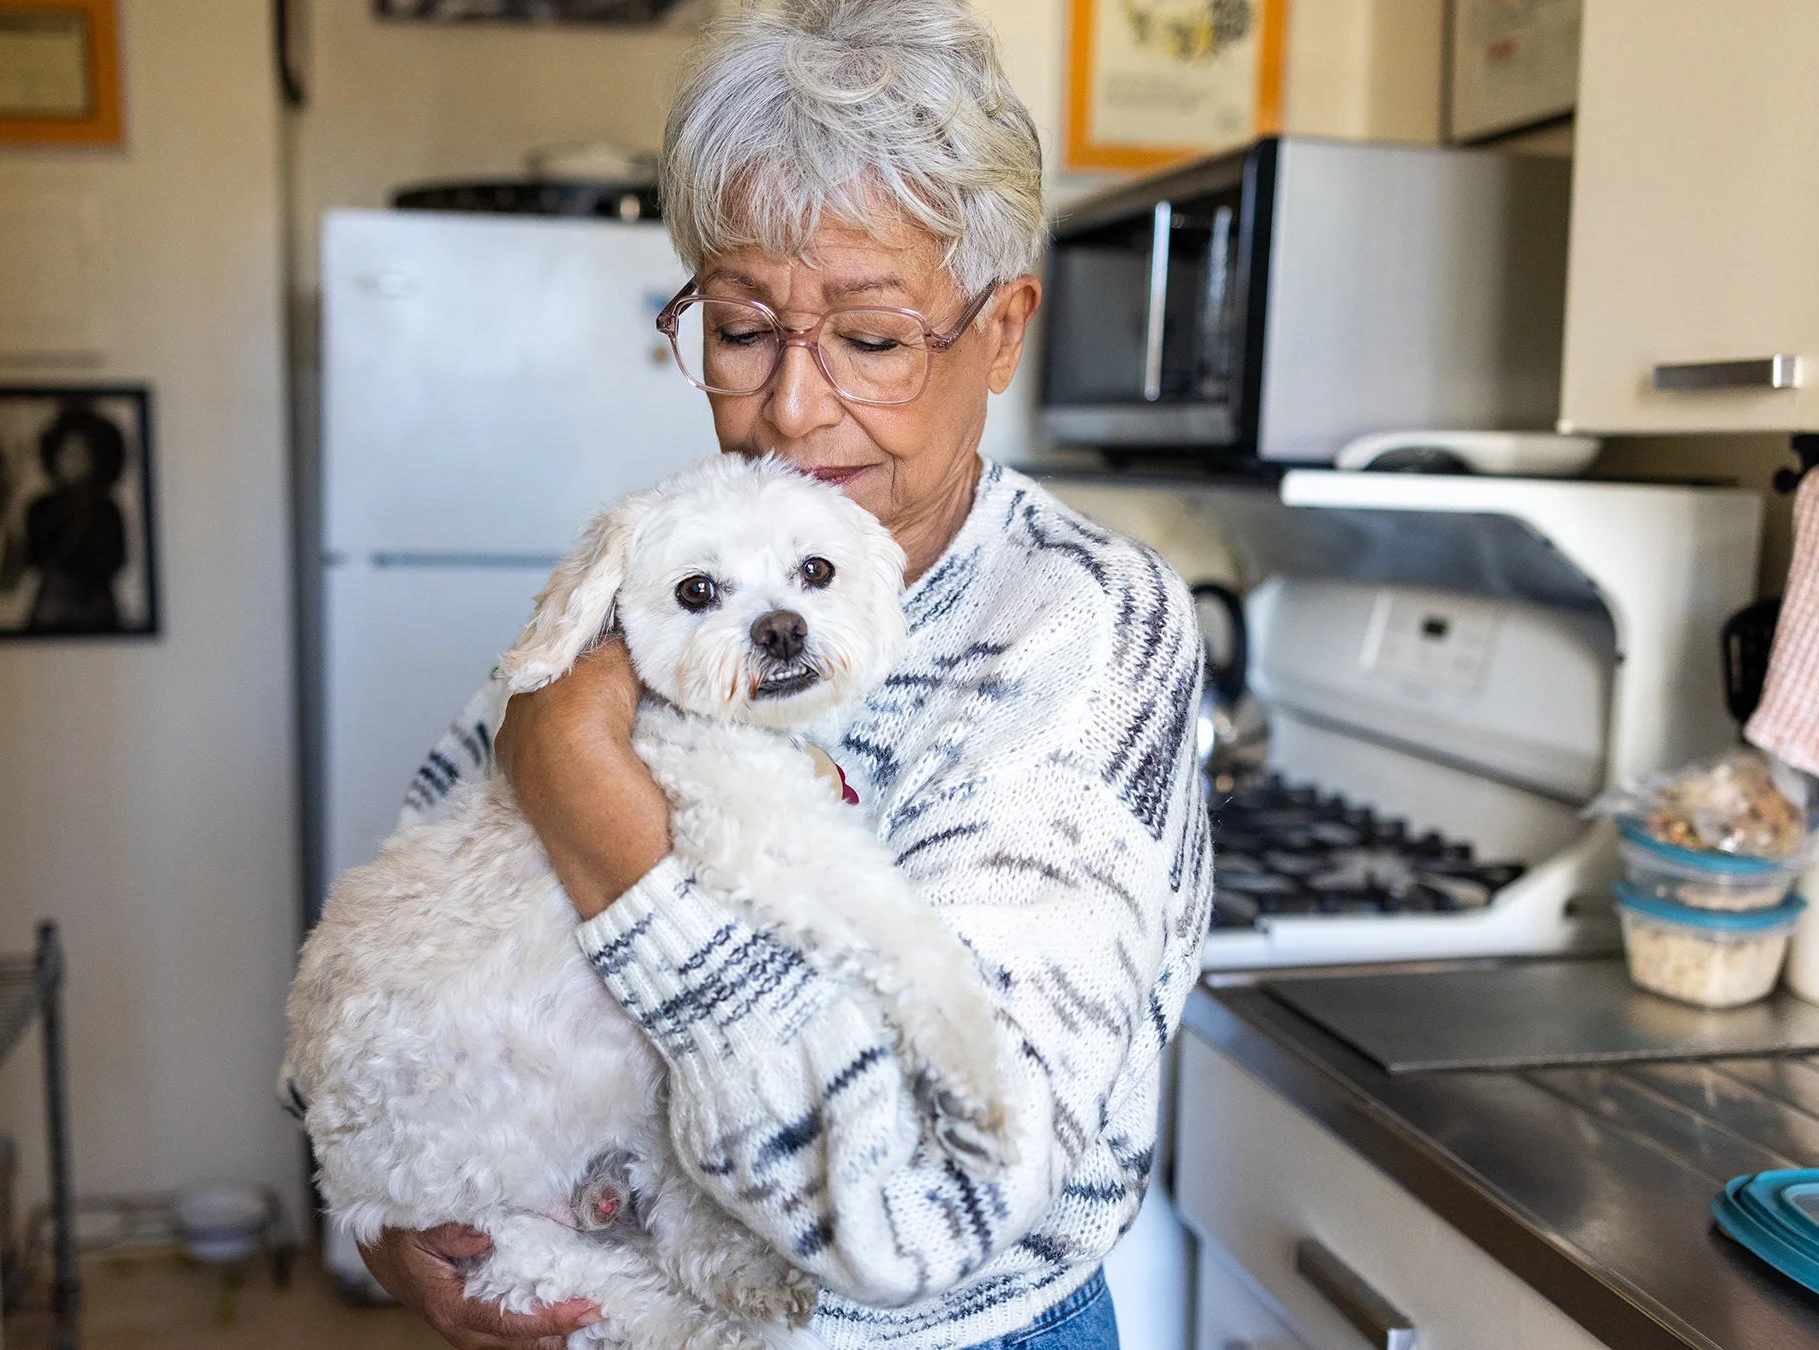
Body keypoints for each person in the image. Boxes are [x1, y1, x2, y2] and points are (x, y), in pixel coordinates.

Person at [360, 1, 1213, 1345]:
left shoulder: (1082, 625)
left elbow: (927, 1215)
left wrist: (598, 811)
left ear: (1001, 331)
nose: (792, 410)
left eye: (871, 340)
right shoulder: (666, 561)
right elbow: (397, 934)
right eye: (743, 329)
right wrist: (383, 1222)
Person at [22, 406, 130, 632]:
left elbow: (117, 560)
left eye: (83, 453)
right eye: (68, 453)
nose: (74, 461)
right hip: (54, 604)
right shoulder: (41, 508)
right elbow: (35, 557)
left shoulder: (107, 509)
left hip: (97, 607)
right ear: (54, 456)